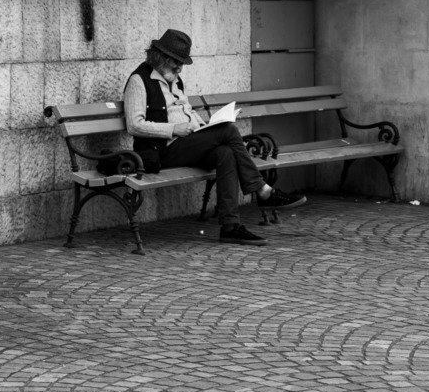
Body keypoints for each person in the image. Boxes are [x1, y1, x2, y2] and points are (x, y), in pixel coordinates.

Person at [123, 29, 306, 247]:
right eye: (176, 63)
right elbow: (134, 125)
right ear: (161, 57)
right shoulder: (139, 80)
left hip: (187, 144)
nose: (180, 68)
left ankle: (230, 227)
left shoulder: (175, 80)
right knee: (228, 130)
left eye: (182, 63)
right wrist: (173, 129)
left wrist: (203, 126)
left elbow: (187, 111)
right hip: (161, 151)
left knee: (226, 153)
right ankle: (264, 191)